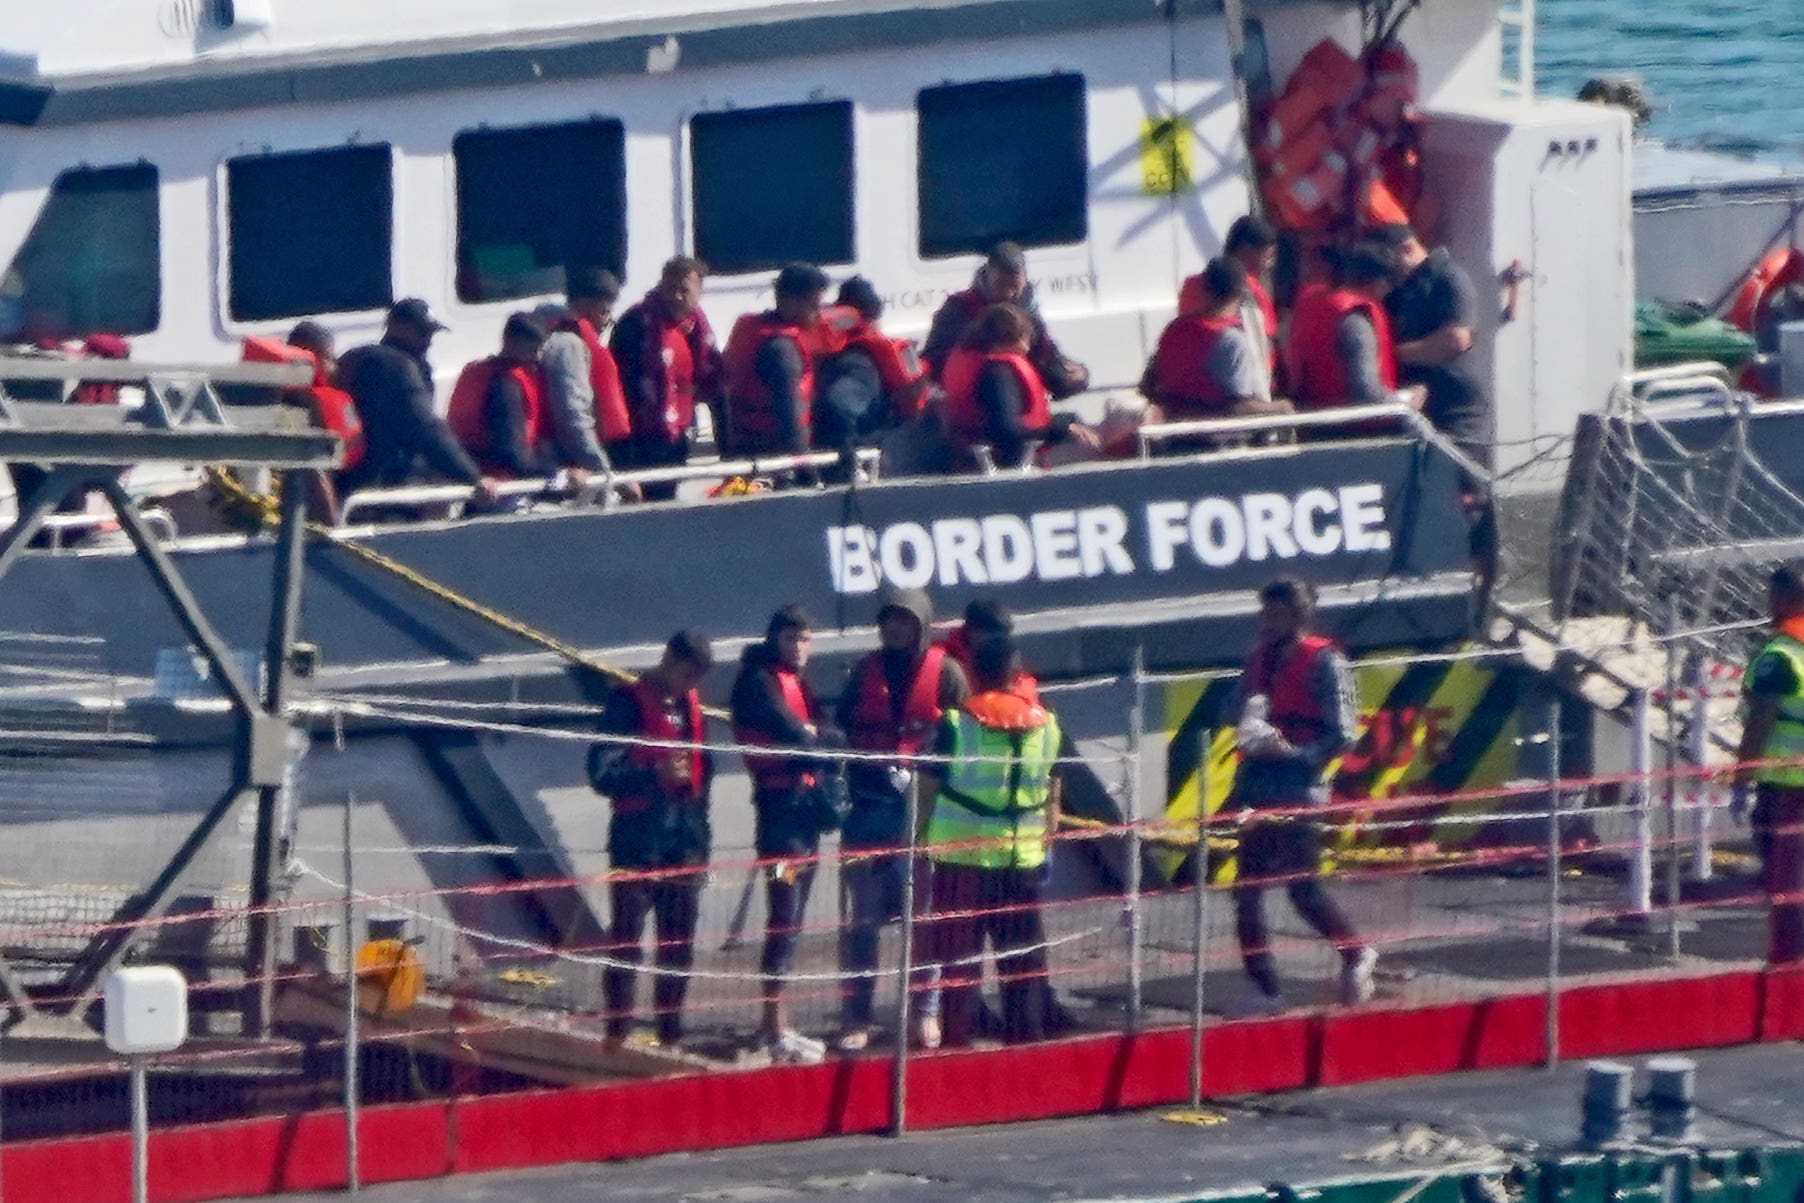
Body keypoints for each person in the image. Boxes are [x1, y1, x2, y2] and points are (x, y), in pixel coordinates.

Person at [1224, 577, 1376, 1014]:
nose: (1265, 621)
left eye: (1274, 613)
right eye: (1263, 613)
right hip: (1255, 785)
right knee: (1247, 891)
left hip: (1298, 789)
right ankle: (1264, 989)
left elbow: (1344, 734)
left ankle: (1356, 953)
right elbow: (1230, 706)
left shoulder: (1326, 662)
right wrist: (1248, 721)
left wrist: (1296, 754)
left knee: (1302, 890)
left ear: (1297, 616)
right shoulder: (1256, 659)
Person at [835, 586, 968, 1051]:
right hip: (868, 820)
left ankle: (925, 1013)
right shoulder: (863, 673)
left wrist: (928, 773)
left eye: (905, 619)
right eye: (888, 619)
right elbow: (844, 731)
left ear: (922, 624)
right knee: (862, 926)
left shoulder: (947, 674)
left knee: (923, 923)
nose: (894, 627)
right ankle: (857, 1016)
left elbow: (963, 739)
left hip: (923, 822)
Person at [916, 637, 1063, 1047]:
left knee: (958, 968)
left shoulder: (955, 724)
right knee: (1022, 966)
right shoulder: (1047, 724)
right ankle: (1026, 1052)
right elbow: (1054, 792)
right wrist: (1045, 845)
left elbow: (926, 790)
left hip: (961, 864)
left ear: (972, 674)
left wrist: (917, 840)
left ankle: (956, 1051)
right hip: (1021, 864)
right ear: (1017, 674)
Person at [587, 630, 716, 1047]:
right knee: (626, 943)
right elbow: (601, 772)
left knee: (677, 946)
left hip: (683, 843)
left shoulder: (692, 708)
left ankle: (670, 1033)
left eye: (697, 677)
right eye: (686, 672)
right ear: (668, 659)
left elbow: (704, 773)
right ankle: (618, 1032)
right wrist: (651, 774)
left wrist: (701, 843)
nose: (689, 684)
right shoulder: (625, 703)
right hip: (637, 841)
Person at [730, 606, 836, 1063]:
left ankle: (778, 1024)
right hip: (779, 818)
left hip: (804, 812)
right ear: (774, 639)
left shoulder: (801, 684)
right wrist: (816, 738)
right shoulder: (758, 681)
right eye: (791, 639)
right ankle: (775, 1027)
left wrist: (823, 736)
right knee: (784, 915)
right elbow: (792, 731)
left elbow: (825, 732)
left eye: (805, 640)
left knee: (793, 920)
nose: (798, 648)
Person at [337, 299, 498, 503]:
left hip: (351, 482)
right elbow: (426, 427)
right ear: (396, 326)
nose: (428, 341)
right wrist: (472, 477)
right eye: (423, 333)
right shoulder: (397, 367)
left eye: (431, 334)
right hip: (387, 488)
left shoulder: (355, 358)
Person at [1373, 224, 1490, 465]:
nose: (1386, 271)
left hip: (1456, 410)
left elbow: (1456, 339)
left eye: (1389, 261)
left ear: (1406, 249)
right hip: (1421, 408)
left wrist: (1394, 355)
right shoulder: (1400, 291)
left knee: (1464, 488)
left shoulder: (1448, 277)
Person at [1734, 564, 1804, 967]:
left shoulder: (1779, 657)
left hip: (1785, 787)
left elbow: (1758, 725)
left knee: (1785, 881)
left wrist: (1742, 780)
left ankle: (1788, 961)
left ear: (1783, 599)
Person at [610, 257, 725, 499]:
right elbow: (619, 389)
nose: (676, 296)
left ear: (699, 292)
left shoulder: (696, 328)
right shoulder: (636, 324)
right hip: (641, 438)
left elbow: (714, 382)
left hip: (677, 436)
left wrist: (725, 444)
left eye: (684, 290)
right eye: (670, 288)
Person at [940, 304, 1101, 470]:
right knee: (1101, 442)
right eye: (1027, 338)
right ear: (1015, 336)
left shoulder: (973, 358)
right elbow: (1007, 430)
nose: (1028, 347)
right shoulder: (998, 373)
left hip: (984, 455)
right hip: (1013, 460)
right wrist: (1062, 428)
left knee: (1079, 422)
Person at [921, 242, 1089, 399]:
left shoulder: (1028, 312)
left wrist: (1073, 376)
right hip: (977, 402)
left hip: (1019, 402)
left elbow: (1045, 356)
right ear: (987, 276)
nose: (1008, 294)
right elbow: (932, 361)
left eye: (1014, 287)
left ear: (1024, 280)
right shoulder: (959, 308)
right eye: (1001, 285)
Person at [1143, 257, 1294, 428]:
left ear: (1204, 288)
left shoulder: (1174, 330)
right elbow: (1238, 409)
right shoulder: (1232, 341)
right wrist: (1280, 408)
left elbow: (1149, 385)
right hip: (1216, 442)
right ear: (1240, 294)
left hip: (1173, 437)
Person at [1284, 246, 1423, 417]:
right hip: (1352, 430)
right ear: (1379, 284)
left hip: (1311, 422)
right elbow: (1366, 393)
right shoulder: (1356, 321)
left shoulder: (1312, 304)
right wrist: (1405, 400)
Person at [722, 263, 831, 457]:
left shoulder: (757, 330)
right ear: (790, 301)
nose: (819, 313)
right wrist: (806, 470)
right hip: (772, 452)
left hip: (743, 443)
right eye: (814, 306)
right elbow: (790, 416)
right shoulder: (781, 351)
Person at [814, 277, 933, 453]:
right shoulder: (860, 364)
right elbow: (840, 407)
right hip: (869, 442)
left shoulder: (826, 352)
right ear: (874, 316)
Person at [538, 266, 631, 488]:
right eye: (604, 313)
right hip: (567, 465)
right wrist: (605, 472)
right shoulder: (568, 345)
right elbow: (573, 414)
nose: (605, 322)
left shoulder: (553, 335)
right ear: (584, 306)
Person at [445, 312, 550, 483]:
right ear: (511, 343)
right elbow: (513, 454)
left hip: (467, 475)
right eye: (532, 350)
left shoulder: (475, 371)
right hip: (500, 484)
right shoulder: (506, 383)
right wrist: (555, 472)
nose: (537, 358)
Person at [940, 600, 1041, 705]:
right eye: (992, 636)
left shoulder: (1007, 658)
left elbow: (1020, 684)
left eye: (1004, 636)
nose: (998, 643)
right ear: (971, 630)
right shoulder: (945, 661)